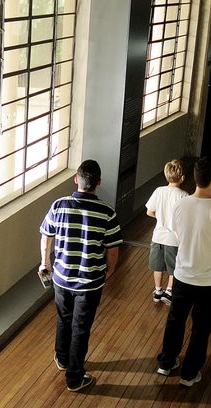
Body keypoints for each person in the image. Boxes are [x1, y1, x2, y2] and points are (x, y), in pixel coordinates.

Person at [40, 160, 122, 392]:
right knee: (81, 327)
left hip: (61, 278)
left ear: (76, 179)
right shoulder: (107, 213)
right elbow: (113, 250)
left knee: (63, 318)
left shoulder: (59, 205)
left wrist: (45, 262)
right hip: (90, 282)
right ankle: (74, 378)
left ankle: (62, 358)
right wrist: (109, 271)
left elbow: (46, 237)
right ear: (98, 183)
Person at [157, 157, 211, 387]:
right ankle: (189, 374)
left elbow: (179, 234)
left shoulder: (181, 205)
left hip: (182, 276)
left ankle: (166, 362)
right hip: (210, 282)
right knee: (201, 329)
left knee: (175, 321)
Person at [145, 159, 188, 306]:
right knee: (173, 267)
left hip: (158, 236)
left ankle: (158, 291)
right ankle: (169, 291)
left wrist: (161, 217)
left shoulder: (159, 191)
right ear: (182, 178)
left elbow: (149, 211)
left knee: (157, 266)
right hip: (174, 239)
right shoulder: (184, 196)